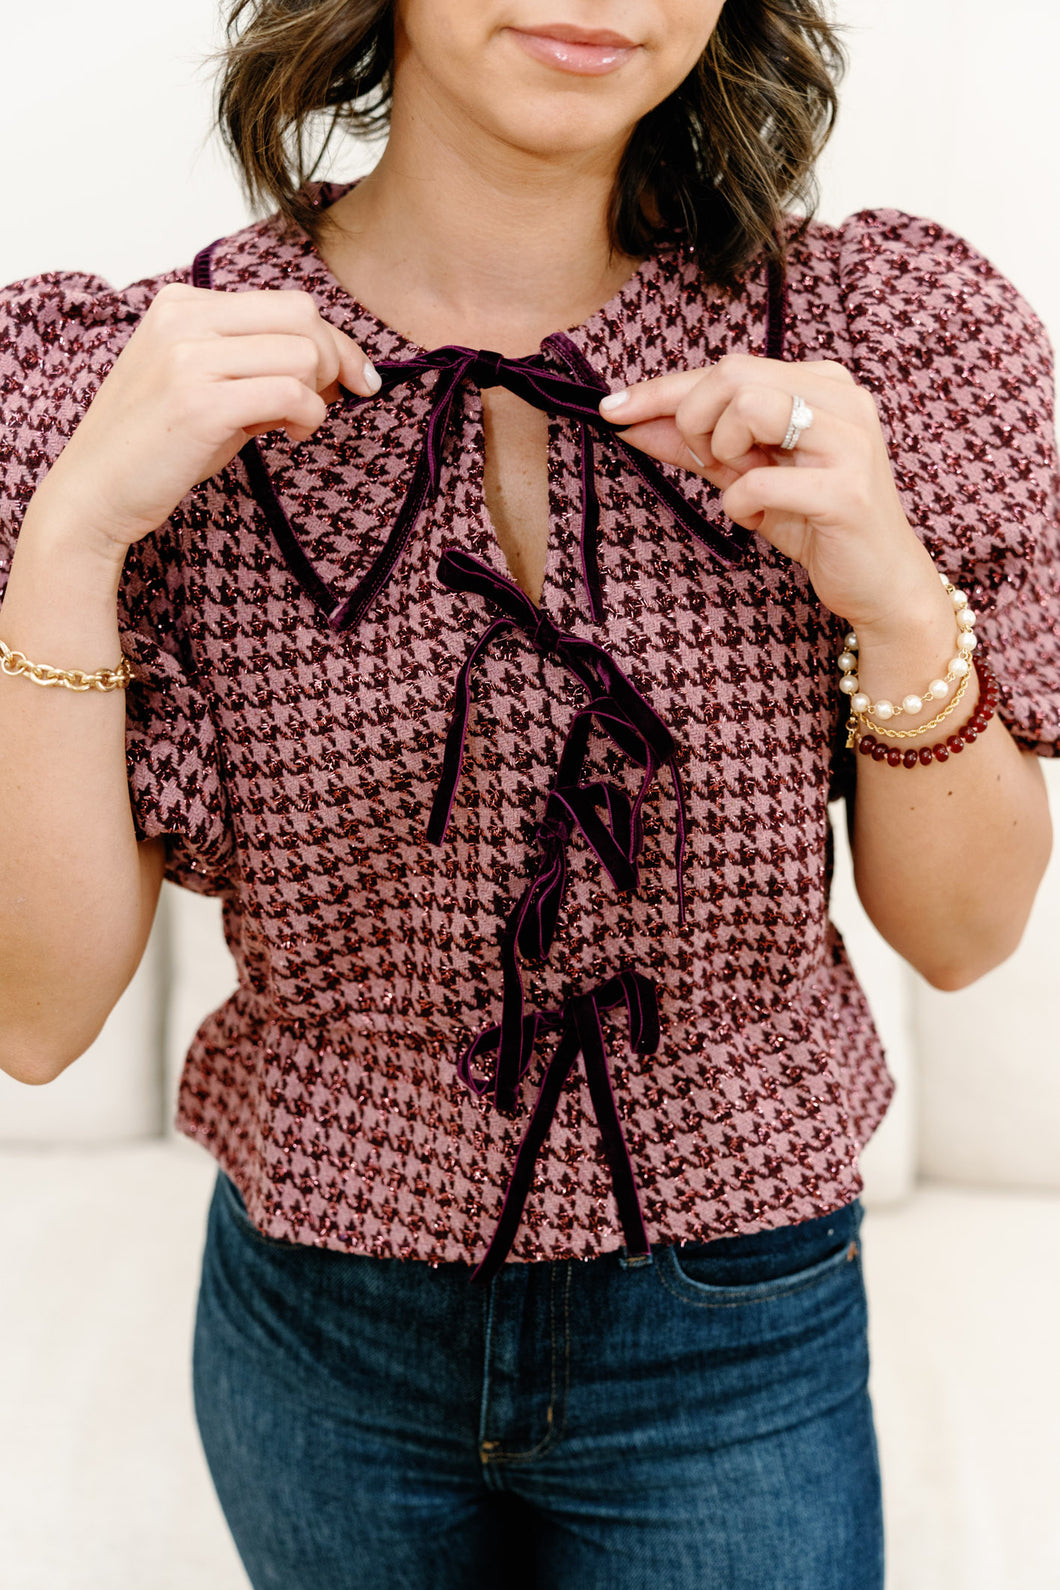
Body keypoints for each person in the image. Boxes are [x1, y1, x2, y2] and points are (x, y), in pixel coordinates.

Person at [1, 1, 1057, 1586]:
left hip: (735, 1322)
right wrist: (71, 540)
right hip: (316, 1327)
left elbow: (968, 935)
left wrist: (898, 597)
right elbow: (35, 1012)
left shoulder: (877, 341)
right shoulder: (140, 385)